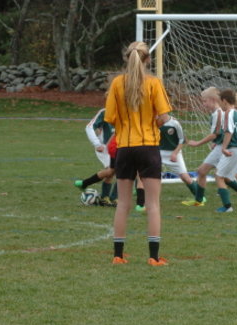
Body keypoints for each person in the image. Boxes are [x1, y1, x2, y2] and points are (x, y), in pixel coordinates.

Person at [104, 41, 172, 266]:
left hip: (124, 147)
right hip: (148, 146)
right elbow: (164, 117)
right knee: (152, 205)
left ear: (127, 57)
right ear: (148, 59)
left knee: (123, 204)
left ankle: (118, 255)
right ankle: (153, 257)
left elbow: (110, 118)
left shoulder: (117, 83)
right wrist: (152, 122)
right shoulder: (153, 83)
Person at [181, 86, 222, 207]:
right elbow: (220, 132)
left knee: (203, 171)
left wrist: (197, 143)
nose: (203, 104)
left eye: (205, 101)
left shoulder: (218, 113)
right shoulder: (218, 112)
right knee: (208, 172)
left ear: (213, 100)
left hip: (222, 148)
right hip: (221, 147)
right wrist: (216, 142)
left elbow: (214, 134)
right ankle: (199, 200)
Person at [75, 108, 117, 206]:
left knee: (114, 172)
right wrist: (97, 144)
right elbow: (89, 127)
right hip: (105, 148)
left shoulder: (130, 110)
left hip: (122, 146)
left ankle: (105, 197)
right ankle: (111, 198)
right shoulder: (105, 112)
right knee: (115, 171)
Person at [159, 115, 198, 200]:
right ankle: (141, 199)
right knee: (149, 175)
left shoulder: (174, 123)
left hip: (174, 153)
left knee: (185, 177)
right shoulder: (153, 121)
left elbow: (182, 139)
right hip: (158, 152)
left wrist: (175, 153)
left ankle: (200, 197)